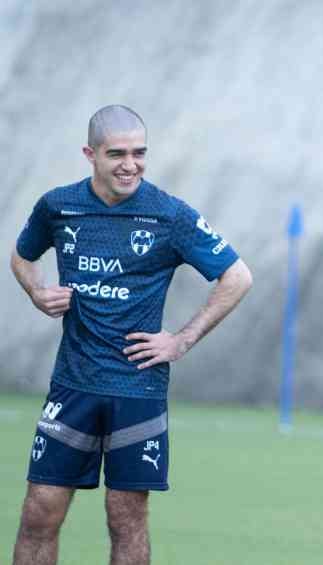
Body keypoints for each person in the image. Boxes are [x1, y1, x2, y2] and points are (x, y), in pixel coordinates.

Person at [11, 105, 253, 565]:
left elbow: (237, 276)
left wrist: (180, 340)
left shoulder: (169, 215)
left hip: (137, 389)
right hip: (73, 385)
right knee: (39, 511)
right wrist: (37, 292)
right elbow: (21, 257)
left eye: (139, 153)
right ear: (90, 154)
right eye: (116, 153)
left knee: (126, 516)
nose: (130, 164)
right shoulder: (57, 206)